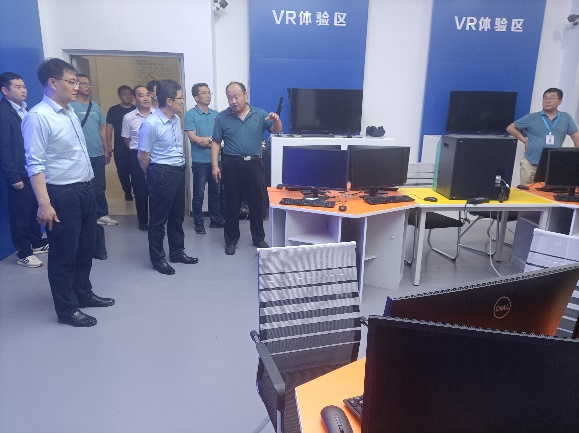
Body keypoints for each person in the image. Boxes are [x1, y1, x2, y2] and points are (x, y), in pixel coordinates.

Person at [22, 58, 115, 327]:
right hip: (62, 194)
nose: (77, 87)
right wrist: (44, 204)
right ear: (53, 83)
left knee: (85, 248)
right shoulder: (38, 117)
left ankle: (83, 292)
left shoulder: (70, 112)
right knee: (64, 254)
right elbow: (35, 164)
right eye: (72, 82)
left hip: (85, 189)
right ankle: (66, 309)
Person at [211, 81, 281, 255]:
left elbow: (276, 130)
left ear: (245, 95)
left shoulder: (259, 114)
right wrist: (215, 165)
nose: (233, 101)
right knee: (231, 203)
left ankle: (258, 238)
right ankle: (231, 240)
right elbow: (216, 142)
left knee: (257, 203)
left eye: (236, 96)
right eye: (229, 98)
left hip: (254, 164)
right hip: (232, 164)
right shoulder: (222, 117)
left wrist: (276, 120)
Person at [138, 79, 198, 275]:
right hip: (161, 173)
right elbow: (143, 156)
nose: (183, 101)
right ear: (169, 101)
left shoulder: (176, 119)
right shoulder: (151, 124)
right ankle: (158, 259)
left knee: (177, 217)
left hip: (178, 171)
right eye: (180, 98)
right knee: (158, 220)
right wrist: (153, 175)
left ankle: (177, 252)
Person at [0, 72, 49, 268]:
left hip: (32, 170)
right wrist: (13, 176)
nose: (23, 90)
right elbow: (3, 148)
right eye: (18, 87)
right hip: (19, 173)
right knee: (20, 215)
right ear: (5, 91)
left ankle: (37, 243)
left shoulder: (26, 110)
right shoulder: (3, 113)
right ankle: (23, 253)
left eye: (24, 86)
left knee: (33, 209)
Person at [70, 73, 118, 226]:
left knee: (99, 185)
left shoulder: (95, 106)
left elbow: (102, 128)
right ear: (76, 85)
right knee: (82, 186)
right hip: (79, 154)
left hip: (97, 152)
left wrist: (106, 149)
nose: (88, 87)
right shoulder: (70, 106)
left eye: (89, 84)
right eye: (84, 84)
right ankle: (86, 215)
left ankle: (102, 214)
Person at [506, 88, 579, 185]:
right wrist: (525, 141)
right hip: (530, 164)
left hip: (553, 165)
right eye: (545, 98)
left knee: (549, 191)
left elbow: (576, 136)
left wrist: (576, 157)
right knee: (526, 191)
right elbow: (510, 128)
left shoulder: (566, 117)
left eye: (552, 98)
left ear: (560, 101)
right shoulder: (532, 117)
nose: (547, 101)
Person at [184, 83, 222, 234]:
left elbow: (221, 138)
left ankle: (215, 220)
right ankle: (198, 222)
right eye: (204, 93)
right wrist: (213, 143)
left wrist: (208, 141)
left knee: (215, 193)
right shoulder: (190, 114)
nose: (208, 95)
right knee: (199, 194)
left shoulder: (216, 115)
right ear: (196, 97)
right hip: (200, 161)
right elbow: (193, 138)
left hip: (217, 161)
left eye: (209, 93)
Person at [121, 85, 154, 231]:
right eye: (141, 95)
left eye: (147, 95)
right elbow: (126, 138)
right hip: (136, 156)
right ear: (135, 98)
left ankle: (156, 220)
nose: (145, 98)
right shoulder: (128, 117)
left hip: (156, 156)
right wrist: (138, 151)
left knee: (156, 190)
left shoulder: (158, 114)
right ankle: (143, 221)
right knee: (140, 191)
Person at [106, 84, 135, 201]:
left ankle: (136, 190)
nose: (128, 97)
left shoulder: (136, 110)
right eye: (125, 94)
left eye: (130, 94)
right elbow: (108, 128)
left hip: (135, 146)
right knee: (122, 171)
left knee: (135, 170)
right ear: (120, 96)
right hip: (120, 146)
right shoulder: (113, 110)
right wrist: (108, 146)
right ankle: (127, 191)